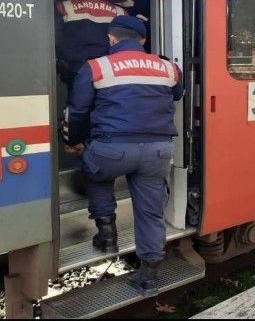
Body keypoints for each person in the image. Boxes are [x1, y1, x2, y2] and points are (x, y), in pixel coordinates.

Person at [62, 15, 183, 297]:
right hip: (158, 150)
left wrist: (74, 141)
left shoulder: (96, 67)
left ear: (111, 38)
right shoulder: (169, 68)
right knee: (151, 212)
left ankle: (107, 236)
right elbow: (178, 95)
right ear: (142, 41)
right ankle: (149, 277)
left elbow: (77, 110)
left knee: (95, 175)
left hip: (111, 150)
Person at [55, 0, 127, 91]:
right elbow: (126, 44)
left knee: (79, 106)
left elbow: (55, 38)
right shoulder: (119, 11)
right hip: (109, 71)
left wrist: (65, 62)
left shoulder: (63, 6)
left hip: (75, 69)